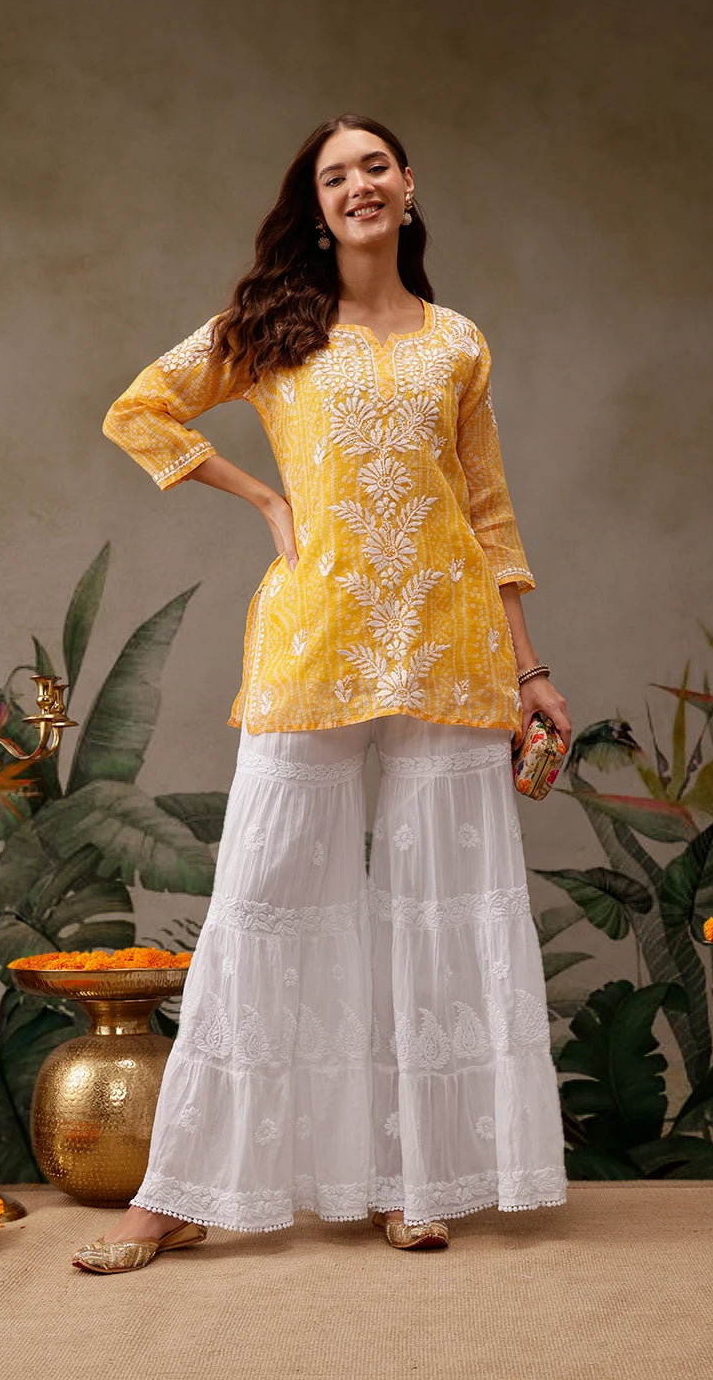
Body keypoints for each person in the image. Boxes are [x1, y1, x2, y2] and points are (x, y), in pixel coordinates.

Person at [73, 114, 571, 1273]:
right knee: (261, 901)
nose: (359, 186)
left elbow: (488, 515)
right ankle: (180, 1192)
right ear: (314, 204)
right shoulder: (275, 329)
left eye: (375, 168)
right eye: (335, 174)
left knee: (430, 909)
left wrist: (530, 668)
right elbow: (138, 408)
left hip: (451, 651)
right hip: (316, 643)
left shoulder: (458, 341)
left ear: (409, 187)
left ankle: (418, 1179)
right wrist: (261, 500)